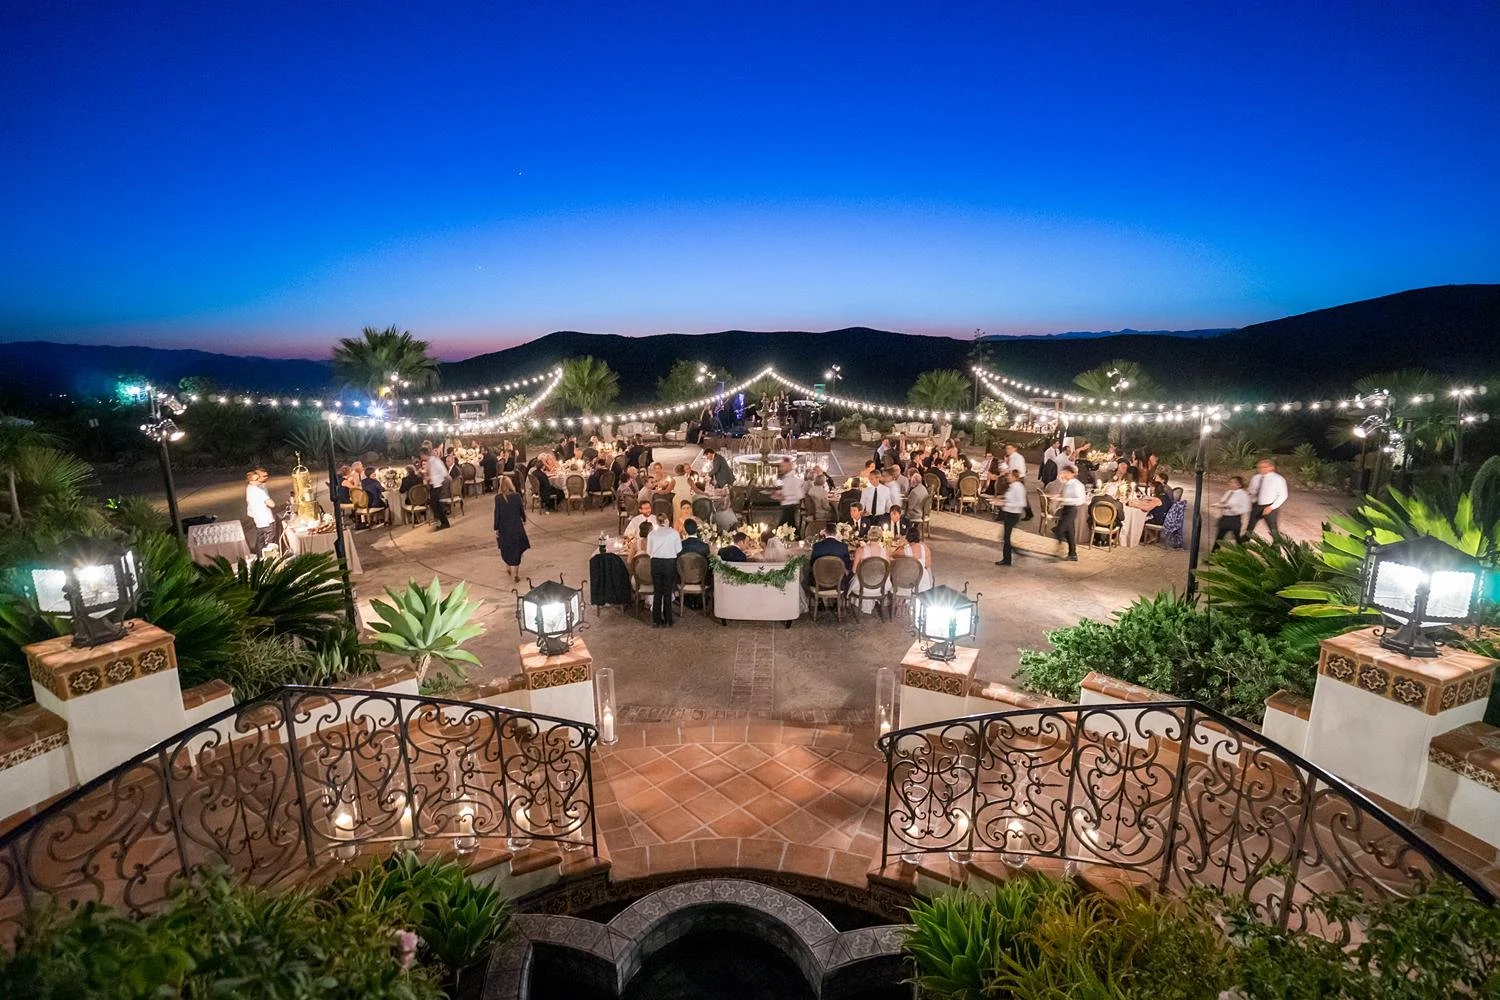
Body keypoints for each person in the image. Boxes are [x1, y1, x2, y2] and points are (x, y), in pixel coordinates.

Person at [646, 514, 682, 627]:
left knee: (657, 592)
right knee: (667, 592)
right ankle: (668, 619)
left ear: (657, 522)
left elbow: (648, 551)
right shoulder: (674, 533)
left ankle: (656, 620)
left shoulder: (652, 534)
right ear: (666, 521)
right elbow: (678, 549)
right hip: (669, 563)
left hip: (656, 563)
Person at [492, 477, 529, 582]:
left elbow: (497, 514)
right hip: (516, 527)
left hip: (504, 528)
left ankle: (508, 566)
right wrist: (524, 519)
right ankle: (516, 573)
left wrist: (496, 527)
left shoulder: (498, 498)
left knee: (506, 548)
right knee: (517, 549)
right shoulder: (516, 496)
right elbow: (521, 510)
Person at [1245, 459, 1288, 538]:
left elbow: (1283, 495)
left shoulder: (1278, 479)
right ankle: (1243, 543)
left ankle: (1277, 544)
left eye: (1264, 467)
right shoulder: (1256, 477)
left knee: (1273, 529)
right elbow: (1251, 490)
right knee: (1250, 526)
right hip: (1256, 505)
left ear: (1272, 467)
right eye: (1259, 467)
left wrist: (1271, 507)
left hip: (1269, 507)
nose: (1261, 469)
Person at [1053, 466, 1087, 561]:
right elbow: (1062, 493)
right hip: (1065, 509)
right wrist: (1058, 496)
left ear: (1072, 474)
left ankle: (1060, 546)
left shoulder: (1077, 485)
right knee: (1070, 534)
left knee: (1059, 530)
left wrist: (1064, 499)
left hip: (1072, 510)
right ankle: (1073, 554)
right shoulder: (1066, 483)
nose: (1063, 474)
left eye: (1065, 473)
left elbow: (1080, 500)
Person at [1212, 475, 1252, 548]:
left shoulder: (1243, 495)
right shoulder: (1229, 492)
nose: (1230, 484)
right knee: (1219, 538)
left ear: (1239, 485)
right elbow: (1223, 502)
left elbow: (1245, 509)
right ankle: (1213, 553)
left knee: (1238, 539)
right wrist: (1218, 505)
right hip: (1225, 518)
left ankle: (1242, 553)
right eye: (1230, 482)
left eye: (1232, 482)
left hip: (1234, 519)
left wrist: (1231, 508)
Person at [996, 470, 1025, 566]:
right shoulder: (1012, 486)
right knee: (1005, 537)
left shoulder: (1018, 487)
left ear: (1015, 477)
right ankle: (1012, 553)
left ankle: (1007, 560)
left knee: (1006, 537)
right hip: (1009, 513)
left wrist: (1005, 504)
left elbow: (1021, 503)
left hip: (1013, 514)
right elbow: (1011, 498)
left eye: (1010, 476)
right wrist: (1002, 499)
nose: (1008, 477)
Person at [246, 468, 278, 553]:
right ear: (251, 481)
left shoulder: (250, 488)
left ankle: (259, 555)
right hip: (265, 519)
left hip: (257, 518)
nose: (260, 480)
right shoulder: (258, 490)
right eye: (258, 478)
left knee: (260, 538)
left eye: (267, 476)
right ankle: (268, 557)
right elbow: (272, 504)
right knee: (269, 542)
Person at [423, 446, 451, 530]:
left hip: (438, 485)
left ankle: (444, 522)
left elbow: (443, 472)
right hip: (433, 485)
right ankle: (442, 522)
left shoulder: (435, 461)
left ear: (424, 454)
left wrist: (432, 478)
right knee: (434, 505)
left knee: (435, 505)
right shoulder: (430, 462)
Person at [773, 457, 804, 529]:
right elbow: (786, 490)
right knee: (790, 528)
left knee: (782, 529)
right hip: (787, 507)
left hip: (790, 507)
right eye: (781, 466)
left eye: (783, 466)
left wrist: (784, 497)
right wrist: (778, 494)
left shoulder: (794, 479)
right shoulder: (785, 478)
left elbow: (799, 495)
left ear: (789, 466)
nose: (781, 468)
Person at [903, 524, 934, 591]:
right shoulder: (925, 548)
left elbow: (893, 555)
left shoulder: (906, 550)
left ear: (907, 537)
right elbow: (928, 565)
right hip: (923, 579)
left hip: (909, 581)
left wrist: (902, 545)